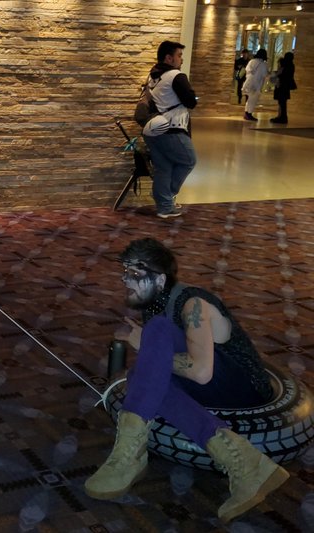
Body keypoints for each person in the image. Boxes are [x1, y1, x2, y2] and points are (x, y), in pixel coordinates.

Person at [84, 238, 289, 523]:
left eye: (135, 273)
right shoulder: (154, 306)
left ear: (160, 279)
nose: (125, 280)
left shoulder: (192, 304)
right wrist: (151, 353)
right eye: (125, 272)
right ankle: (243, 461)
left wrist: (147, 347)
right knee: (140, 374)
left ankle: (128, 457)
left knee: (155, 336)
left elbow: (201, 372)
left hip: (244, 387)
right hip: (211, 387)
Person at [141, 41, 197, 219]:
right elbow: (191, 102)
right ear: (168, 58)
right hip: (171, 128)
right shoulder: (176, 76)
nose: (181, 59)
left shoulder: (153, 76)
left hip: (152, 129)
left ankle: (164, 207)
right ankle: (164, 196)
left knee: (163, 167)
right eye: (179, 55)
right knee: (189, 160)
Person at [242, 48, 269, 121]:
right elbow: (265, 74)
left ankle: (246, 113)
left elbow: (247, 70)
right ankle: (249, 114)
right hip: (256, 84)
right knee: (253, 100)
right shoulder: (263, 64)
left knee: (249, 99)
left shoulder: (251, 61)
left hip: (249, 83)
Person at [270, 52, 296, 124]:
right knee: (283, 102)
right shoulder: (291, 65)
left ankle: (281, 117)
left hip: (281, 86)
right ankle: (281, 117)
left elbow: (280, 74)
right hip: (286, 87)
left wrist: (275, 74)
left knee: (281, 103)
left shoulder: (285, 65)